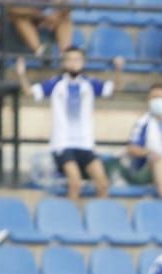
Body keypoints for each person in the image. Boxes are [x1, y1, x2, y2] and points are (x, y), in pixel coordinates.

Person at [21, 48, 122, 204]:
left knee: (103, 184)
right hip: (63, 144)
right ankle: (69, 219)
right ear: (64, 62)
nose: (74, 63)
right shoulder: (55, 83)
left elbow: (114, 90)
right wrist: (21, 73)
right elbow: (29, 92)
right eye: (70, 59)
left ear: (83, 62)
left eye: (77, 59)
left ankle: (101, 219)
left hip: (85, 144)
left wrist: (118, 70)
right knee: (75, 183)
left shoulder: (89, 83)